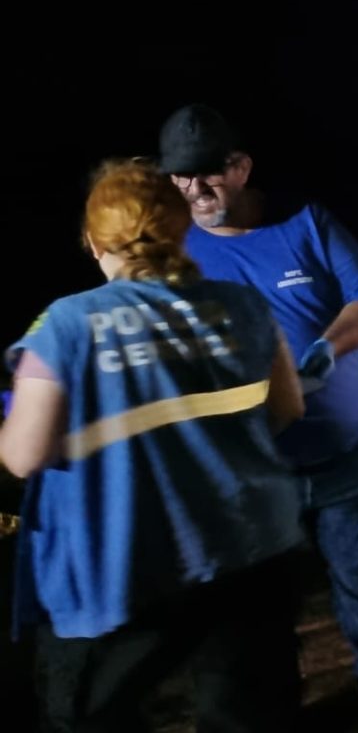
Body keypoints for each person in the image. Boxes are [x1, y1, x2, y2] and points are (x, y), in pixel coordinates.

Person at [156, 104, 358, 723]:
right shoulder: (175, 249)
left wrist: (324, 351)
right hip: (254, 464)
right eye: (182, 179)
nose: (195, 191)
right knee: (264, 603)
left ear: (240, 168)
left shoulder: (306, 224)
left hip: (341, 446)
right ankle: (278, 708)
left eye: (208, 175)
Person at [1, 157, 306, 730]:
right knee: (252, 714)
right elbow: (287, 409)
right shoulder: (243, 307)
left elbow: (23, 455)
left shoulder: (65, 324)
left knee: (88, 714)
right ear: (179, 229)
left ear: (94, 241)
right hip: (249, 548)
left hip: (120, 565)